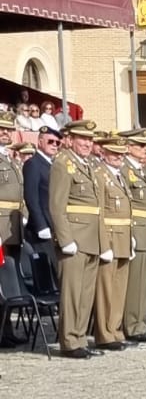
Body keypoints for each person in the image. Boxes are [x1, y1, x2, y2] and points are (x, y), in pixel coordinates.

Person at [47, 120, 101, 358]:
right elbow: (56, 205)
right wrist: (65, 238)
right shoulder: (63, 164)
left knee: (85, 293)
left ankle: (80, 338)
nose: (87, 144)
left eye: (89, 139)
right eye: (82, 139)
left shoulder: (87, 164)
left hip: (91, 237)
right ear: (69, 139)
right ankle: (69, 341)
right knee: (72, 293)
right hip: (74, 238)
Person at [93, 136, 134, 350]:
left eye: (121, 154)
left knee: (119, 288)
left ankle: (115, 329)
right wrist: (102, 243)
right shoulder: (100, 175)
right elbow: (99, 212)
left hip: (123, 236)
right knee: (106, 289)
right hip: (108, 236)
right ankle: (104, 333)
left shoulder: (119, 175)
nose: (119, 157)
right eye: (114, 154)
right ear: (104, 153)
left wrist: (131, 236)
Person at [122, 135, 146, 343]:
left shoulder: (143, 171)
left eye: (145, 146)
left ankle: (139, 322)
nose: (144, 149)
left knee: (144, 283)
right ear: (128, 147)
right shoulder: (125, 170)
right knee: (135, 283)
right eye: (140, 146)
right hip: (136, 229)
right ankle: (131, 325)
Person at [22, 122, 60, 294]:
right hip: (42, 228)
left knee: (56, 270)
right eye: (50, 141)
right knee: (48, 271)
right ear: (40, 142)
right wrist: (40, 225)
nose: (55, 145)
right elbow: (31, 196)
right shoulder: (33, 164)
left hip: (55, 225)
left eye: (57, 142)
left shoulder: (53, 164)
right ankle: (48, 302)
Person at [0, 112, 22, 261]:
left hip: (14, 223)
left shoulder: (11, 159)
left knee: (13, 264)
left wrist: (24, 214)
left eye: (9, 129)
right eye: (1, 128)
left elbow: (20, 190)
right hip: (1, 223)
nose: (5, 132)